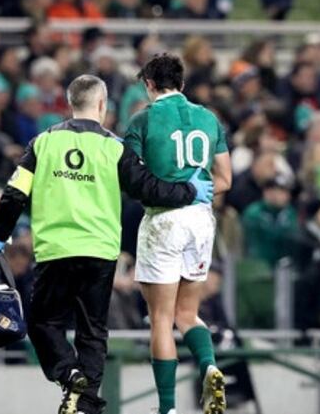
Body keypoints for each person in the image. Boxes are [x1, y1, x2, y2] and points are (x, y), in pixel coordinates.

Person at [0, 74, 212, 414]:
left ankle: (68, 373)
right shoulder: (114, 147)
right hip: (101, 253)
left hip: (56, 250)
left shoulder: (43, 143)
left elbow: (14, 192)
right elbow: (147, 188)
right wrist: (190, 191)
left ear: (70, 103)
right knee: (93, 333)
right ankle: (86, 406)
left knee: (43, 324)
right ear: (103, 105)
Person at [124, 53, 232, 414]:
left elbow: (132, 179)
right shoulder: (209, 119)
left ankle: (167, 407)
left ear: (149, 85)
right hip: (201, 219)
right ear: (182, 84)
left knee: (161, 319)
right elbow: (226, 180)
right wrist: (197, 189)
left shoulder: (142, 120)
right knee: (189, 314)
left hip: (163, 220)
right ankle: (210, 366)